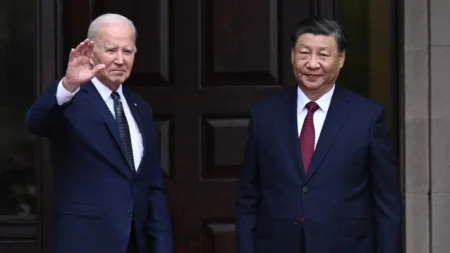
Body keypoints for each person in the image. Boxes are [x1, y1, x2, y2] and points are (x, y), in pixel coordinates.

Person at [235, 17, 403, 253]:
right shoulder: (264, 116)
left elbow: (387, 205)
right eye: (304, 53)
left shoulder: (368, 117)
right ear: (293, 55)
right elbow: (248, 198)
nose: (312, 64)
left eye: (323, 55)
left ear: (341, 59)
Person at [25, 13, 173, 253]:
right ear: (91, 53)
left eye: (127, 51)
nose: (119, 60)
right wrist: (68, 86)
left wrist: (162, 245)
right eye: (111, 50)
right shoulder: (71, 99)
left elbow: (152, 185)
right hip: (84, 242)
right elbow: (36, 122)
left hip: (136, 242)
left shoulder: (140, 108)